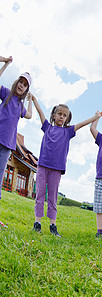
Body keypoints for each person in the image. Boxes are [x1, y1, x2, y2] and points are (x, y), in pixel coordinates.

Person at [31, 97, 102, 237]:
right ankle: (37, 223)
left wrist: (95, 117)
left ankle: (53, 225)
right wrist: (33, 99)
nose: (62, 117)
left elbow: (82, 124)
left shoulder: (67, 132)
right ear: (54, 115)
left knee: (52, 197)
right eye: (59, 114)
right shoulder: (47, 127)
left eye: (65, 115)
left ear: (67, 118)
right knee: (39, 194)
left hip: (56, 169)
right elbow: (40, 112)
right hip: (43, 166)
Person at [0, 56, 33, 228]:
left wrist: (30, 101)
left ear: (26, 89)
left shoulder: (20, 106)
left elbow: (30, 115)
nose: (21, 85)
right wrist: (5, 63)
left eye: (25, 84)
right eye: (20, 82)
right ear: (16, 83)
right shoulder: (6, 93)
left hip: (6, 147)